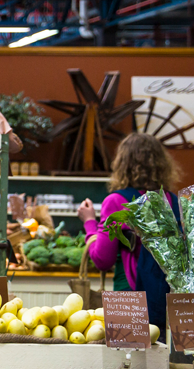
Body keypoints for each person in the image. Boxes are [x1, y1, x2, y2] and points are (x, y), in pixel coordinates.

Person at [78, 132, 183, 329]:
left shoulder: (117, 201)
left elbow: (103, 260)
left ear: (122, 164)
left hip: (130, 298)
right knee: (164, 357)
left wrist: (89, 223)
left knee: (127, 356)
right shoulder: (173, 201)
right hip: (171, 301)